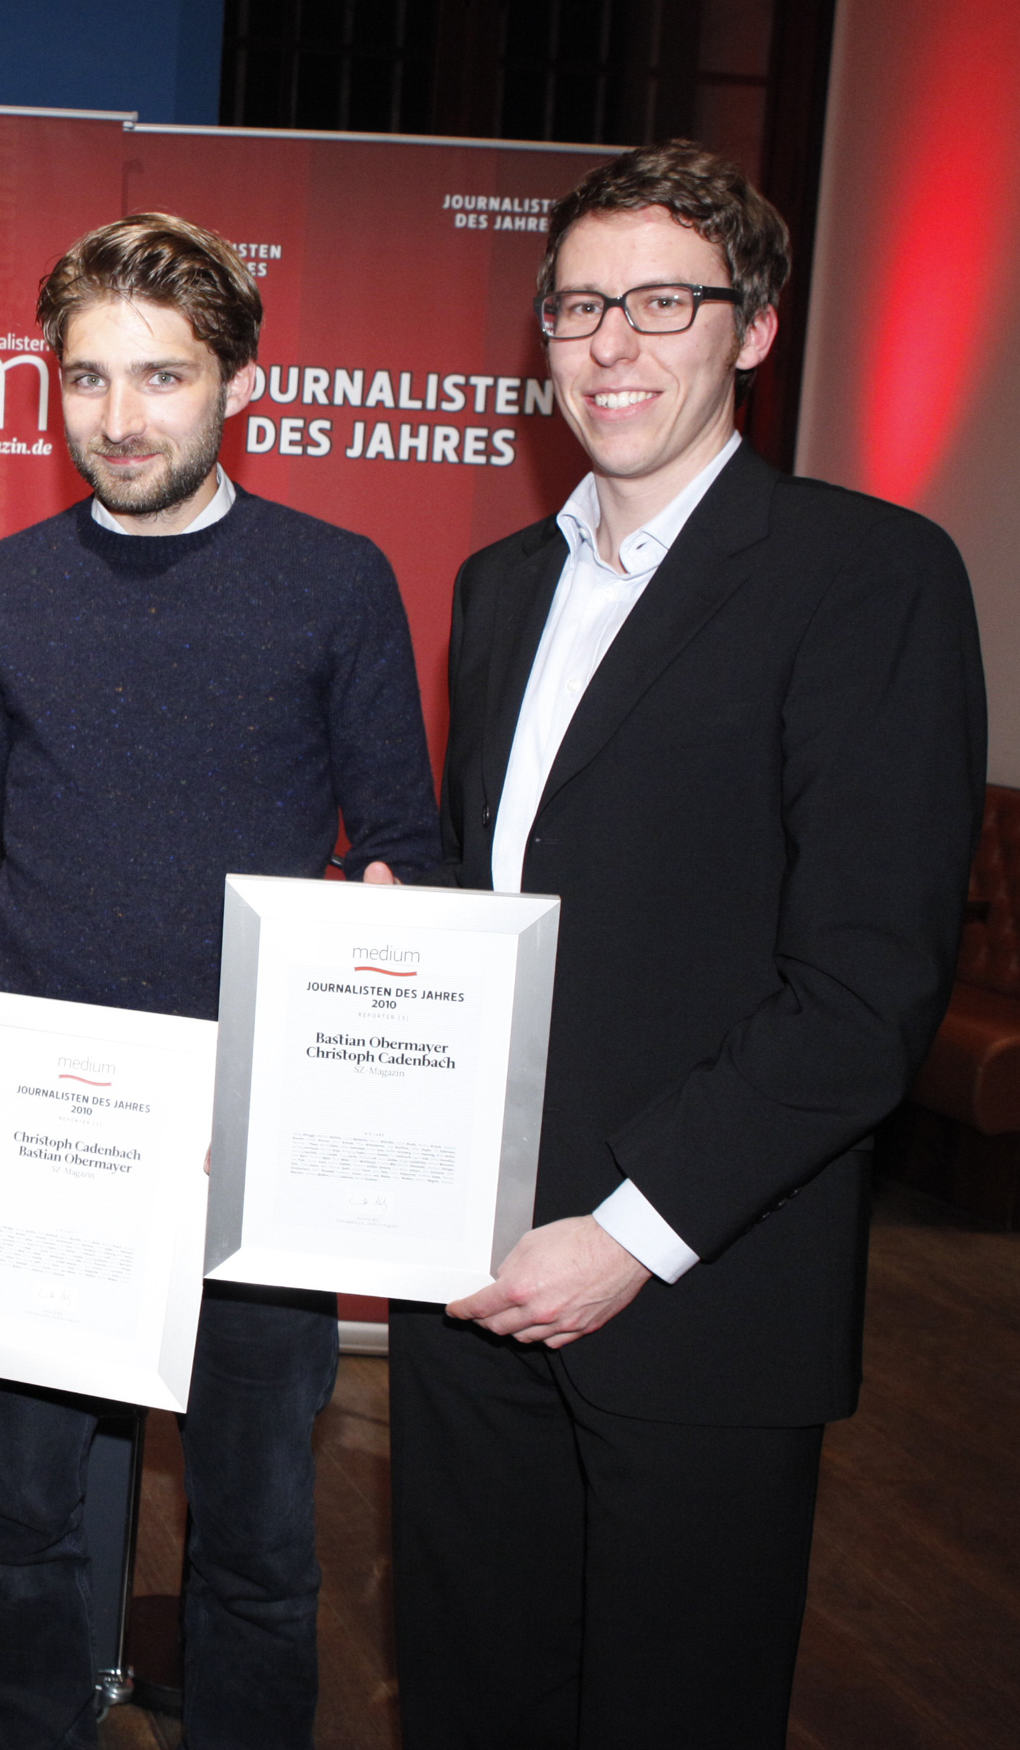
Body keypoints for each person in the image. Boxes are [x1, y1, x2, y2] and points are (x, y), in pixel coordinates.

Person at [386, 140, 985, 1748]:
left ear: (758, 326)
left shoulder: (871, 581)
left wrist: (629, 1232)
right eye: (580, 305)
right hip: (476, 1283)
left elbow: (863, 993)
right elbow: (520, 889)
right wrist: (396, 940)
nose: (613, 345)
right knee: (470, 1695)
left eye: (664, 300)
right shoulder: (500, 584)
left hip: (699, 1294)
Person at [0, 213, 444, 1749]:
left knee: (257, 1547)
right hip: (41, 1133)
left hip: (247, 1150)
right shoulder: (3, 589)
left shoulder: (335, 583)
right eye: (86, 379)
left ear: (238, 379)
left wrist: (312, 1066)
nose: (119, 420)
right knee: (20, 1532)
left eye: (163, 377)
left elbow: (405, 852)